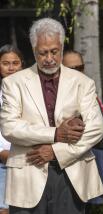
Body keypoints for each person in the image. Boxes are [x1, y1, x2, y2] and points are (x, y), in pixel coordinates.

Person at [0, 18, 103, 214]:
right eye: (43, 52)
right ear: (33, 50)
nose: (49, 58)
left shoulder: (83, 83)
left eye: (54, 51)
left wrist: (57, 151)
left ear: (62, 47)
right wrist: (56, 134)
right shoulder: (13, 83)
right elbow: (9, 127)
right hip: (27, 174)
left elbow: (96, 128)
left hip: (71, 174)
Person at [63, 50, 103, 209]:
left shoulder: (89, 92)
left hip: (95, 171)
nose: (77, 72)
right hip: (71, 172)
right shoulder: (58, 97)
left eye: (80, 67)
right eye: (71, 68)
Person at [0, 44, 24, 214]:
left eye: (15, 63)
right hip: (2, 161)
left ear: (22, 64)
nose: (11, 68)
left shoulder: (32, 92)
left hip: (28, 159)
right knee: (5, 209)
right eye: (5, 63)